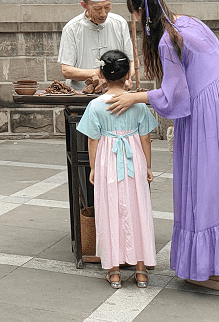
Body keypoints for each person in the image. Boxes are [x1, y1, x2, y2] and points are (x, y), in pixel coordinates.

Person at [109, 0, 219, 291]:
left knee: (209, 186)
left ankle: (211, 272)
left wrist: (135, 96)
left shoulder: (166, 42)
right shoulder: (190, 23)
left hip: (208, 112)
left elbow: (176, 96)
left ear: (139, 14)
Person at [77, 50, 156, 289]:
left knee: (109, 208)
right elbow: (145, 138)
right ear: (126, 76)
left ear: (101, 74)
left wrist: (92, 167)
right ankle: (141, 270)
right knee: (138, 208)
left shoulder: (95, 106)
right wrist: (148, 166)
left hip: (107, 161)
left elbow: (93, 140)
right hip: (134, 160)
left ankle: (113, 271)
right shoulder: (138, 103)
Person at [58, 0, 134, 92]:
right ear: (84, 5)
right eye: (97, 8)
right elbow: (66, 71)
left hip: (116, 95)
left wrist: (128, 77)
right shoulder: (71, 29)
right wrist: (99, 73)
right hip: (81, 95)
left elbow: (131, 61)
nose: (103, 13)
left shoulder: (120, 24)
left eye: (107, 7)